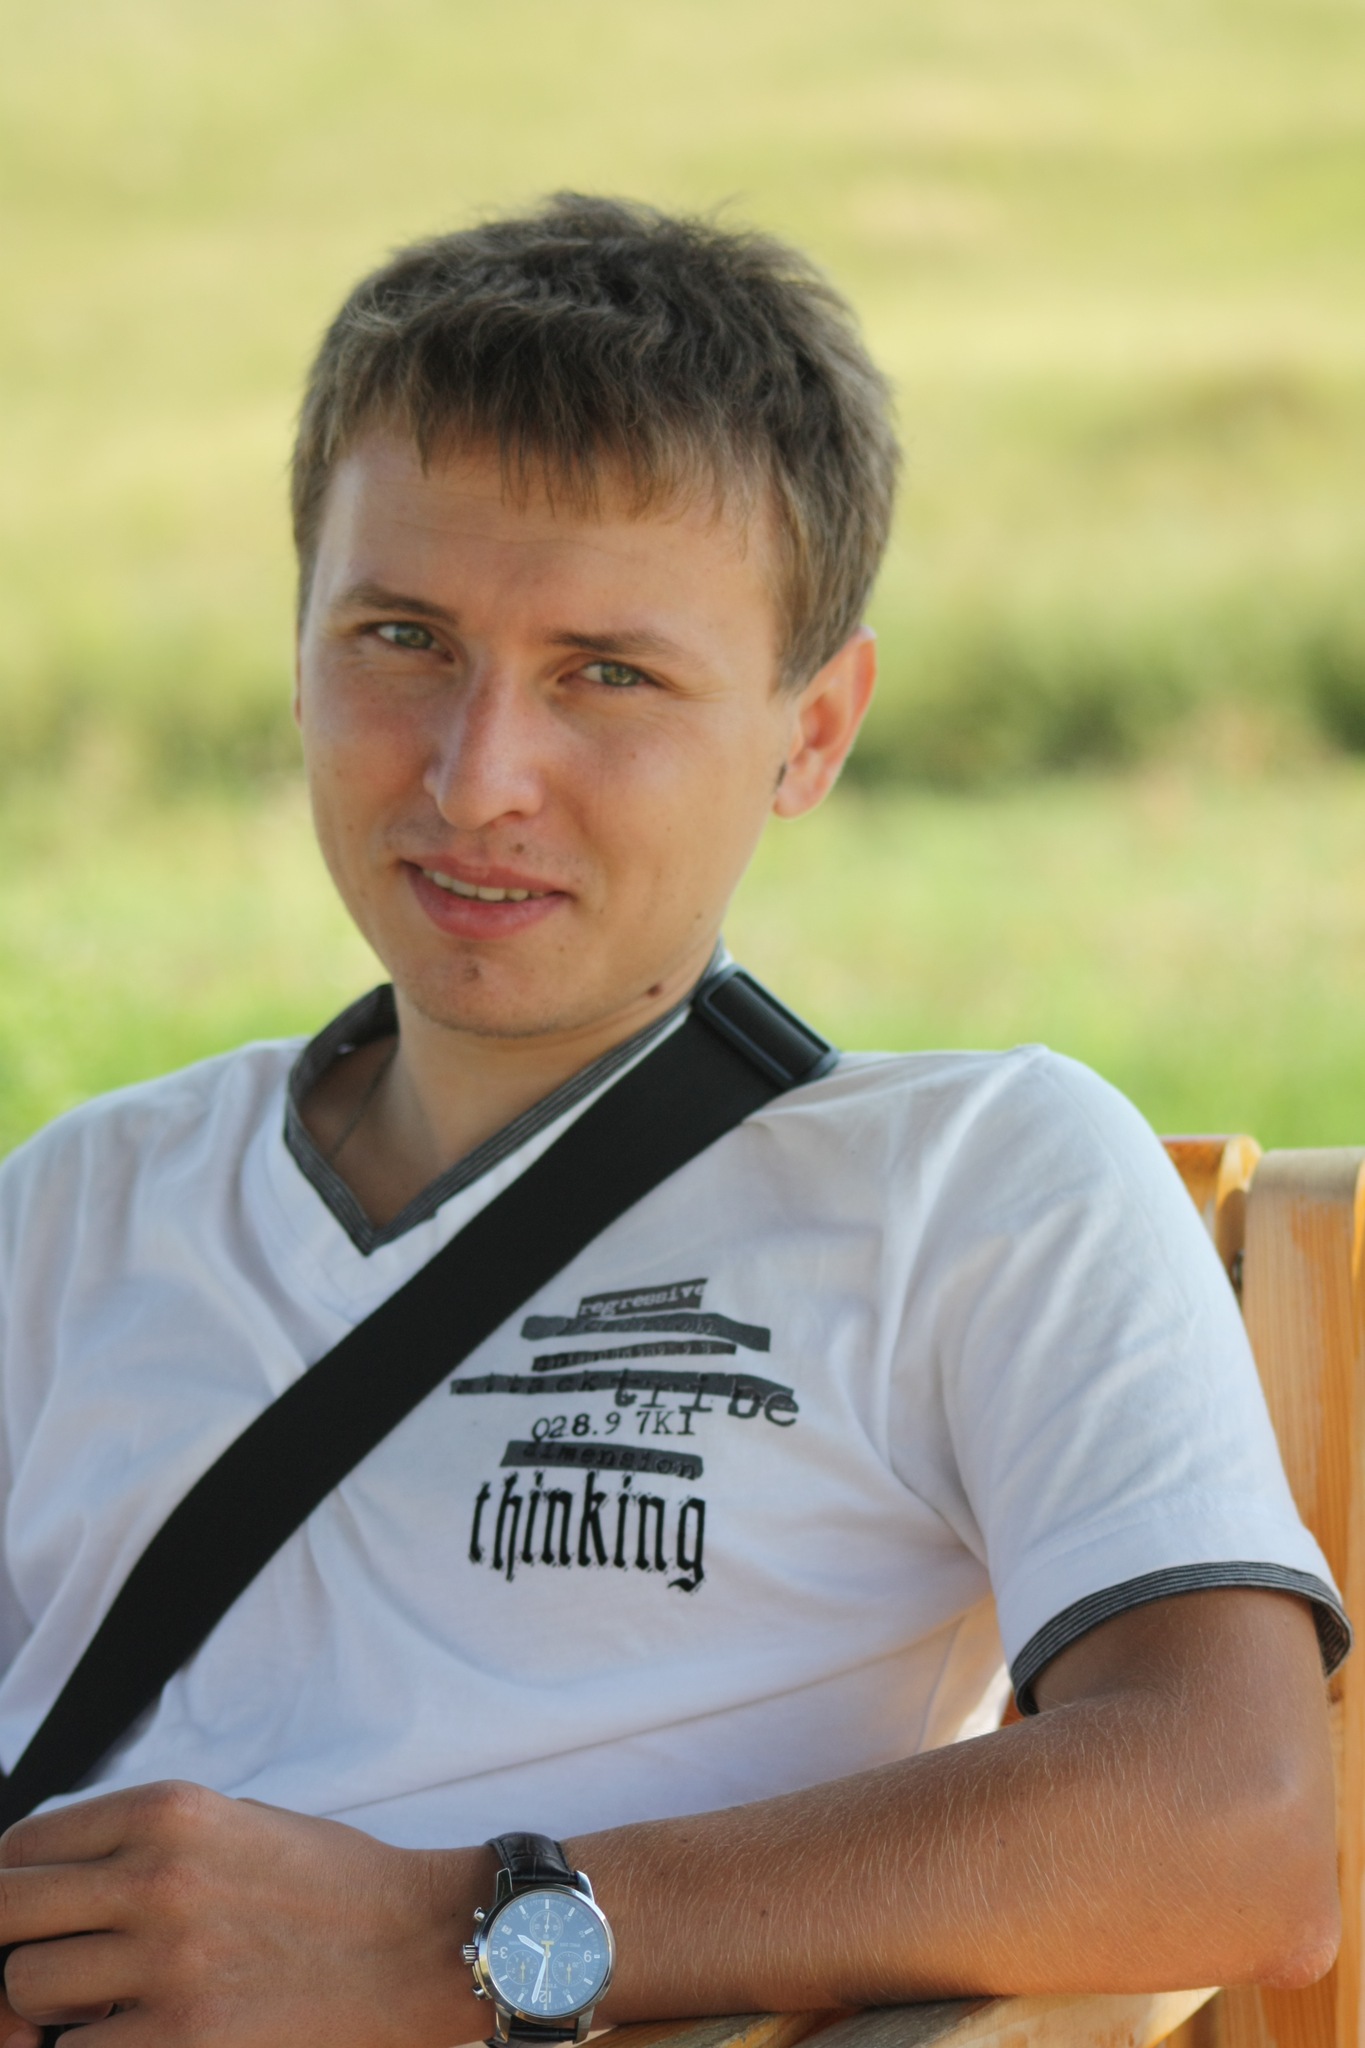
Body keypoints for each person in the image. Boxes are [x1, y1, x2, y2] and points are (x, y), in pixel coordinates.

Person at [0, 194, 1347, 2048]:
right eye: (402, 637)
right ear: (298, 640)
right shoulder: (81, 1199)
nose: (477, 777)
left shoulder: (973, 1181)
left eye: (608, 674)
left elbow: (1235, 1827)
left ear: (813, 728)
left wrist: (452, 1941)